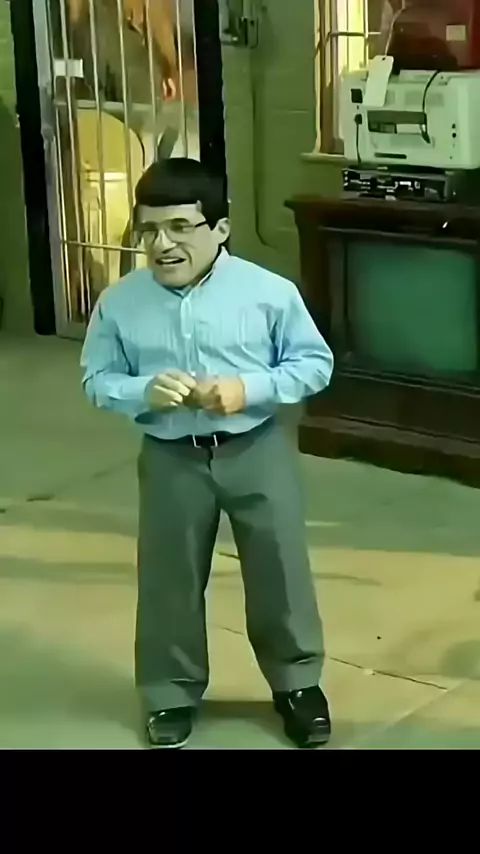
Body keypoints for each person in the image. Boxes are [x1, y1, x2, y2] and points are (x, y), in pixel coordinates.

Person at [80, 158, 334, 749]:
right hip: (171, 457)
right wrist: (140, 391)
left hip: (257, 448)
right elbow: (97, 379)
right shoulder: (120, 303)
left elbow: (314, 363)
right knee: (168, 575)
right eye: (149, 229)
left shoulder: (269, 293)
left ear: (219, 229)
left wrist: (250, 388)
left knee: (280, 570)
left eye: (180, 227)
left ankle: (297, 685)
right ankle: (169, 692)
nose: (162, 244)